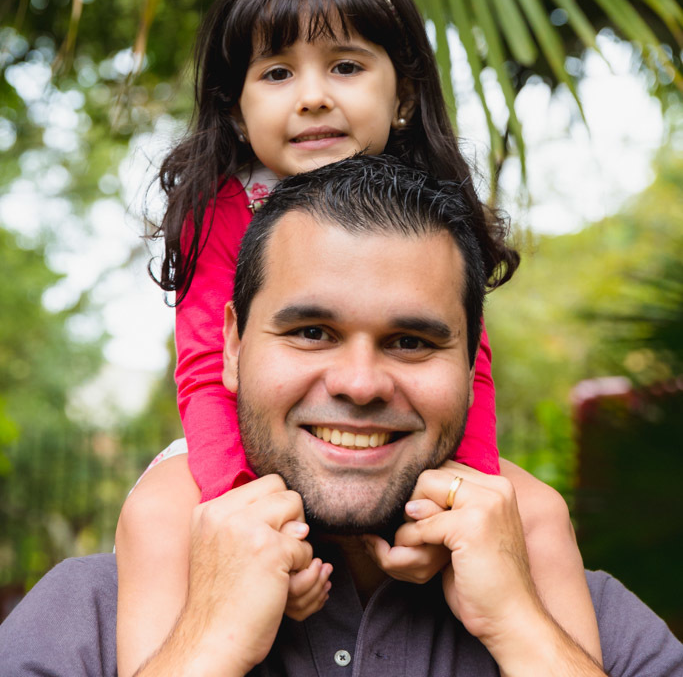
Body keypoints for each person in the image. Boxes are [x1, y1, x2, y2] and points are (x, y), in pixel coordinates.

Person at [114, 0, 599, 674]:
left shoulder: (434, 216)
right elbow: (210, 371)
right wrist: (243, 506)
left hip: (406, 442)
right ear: (238, 112)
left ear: (402, 94)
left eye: (344, 66)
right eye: (277, 73)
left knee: (534, 513)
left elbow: (466, 368)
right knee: (156, 511)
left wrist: (459, 492)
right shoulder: (218, 211)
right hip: (239, 442)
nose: (312, 95)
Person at [1, 157, 681, 677]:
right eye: (311, 333)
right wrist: (205, 645)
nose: (359, 384)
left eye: (411, 342)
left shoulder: (592, 622)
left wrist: (521, 629)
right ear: (232, 347)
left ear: (471, 364)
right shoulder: (83, 620)